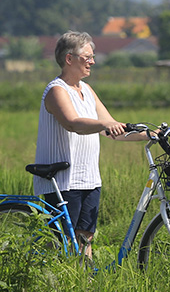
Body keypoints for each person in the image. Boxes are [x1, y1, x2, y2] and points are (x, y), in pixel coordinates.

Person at [34, 31, 145, 260]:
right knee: (62, 242)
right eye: (87, 57)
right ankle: (47, 286)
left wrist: (149, 134)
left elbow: (111, 129)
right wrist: (104, 124)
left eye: (93, 56)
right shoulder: (56, 90)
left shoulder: (86, 90)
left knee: (85, 237)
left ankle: (85, 290)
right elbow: (73, 124)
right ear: (69, 59)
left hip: (89, 178)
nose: (92, 62)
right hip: (63, 179)